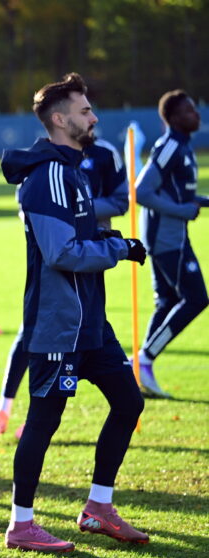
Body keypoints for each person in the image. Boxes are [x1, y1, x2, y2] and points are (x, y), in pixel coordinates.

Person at [0, 73, 148, 553]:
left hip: (90, 323)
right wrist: (118, 251)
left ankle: (97, 507)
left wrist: (111, 241)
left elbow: (83, 236)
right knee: (44, 420)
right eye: (85, 111)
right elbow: (61, 252)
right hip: (57, 326)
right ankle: (22, 524)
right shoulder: (48, 176)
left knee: (129, 402)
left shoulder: (74, 169)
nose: (94, 117)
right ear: (60, 119)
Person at [0, 135, 131, 438]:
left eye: (90, 107)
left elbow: (120, 201)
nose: (91, 117)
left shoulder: (104, 153)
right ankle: (5, 407)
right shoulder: (47, 157)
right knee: (31, 331)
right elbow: (30, 196)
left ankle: (36, 419)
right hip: (55, 255)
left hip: (91, 259)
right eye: (83, 109)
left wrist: (80, 208)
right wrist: (57, 212)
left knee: (84, 341)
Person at [135, 90, 208, 398]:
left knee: (166, 302)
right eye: (190, 110)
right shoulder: (170, 147)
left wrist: (201, 202)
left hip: (172, 234)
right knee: (196, 299)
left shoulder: (184, 147)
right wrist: (183, 211)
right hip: (166, 237)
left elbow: (177, 194)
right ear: (175, 118)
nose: (197, 114)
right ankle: (143, 359)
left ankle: (141, 372)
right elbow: (141, 191)